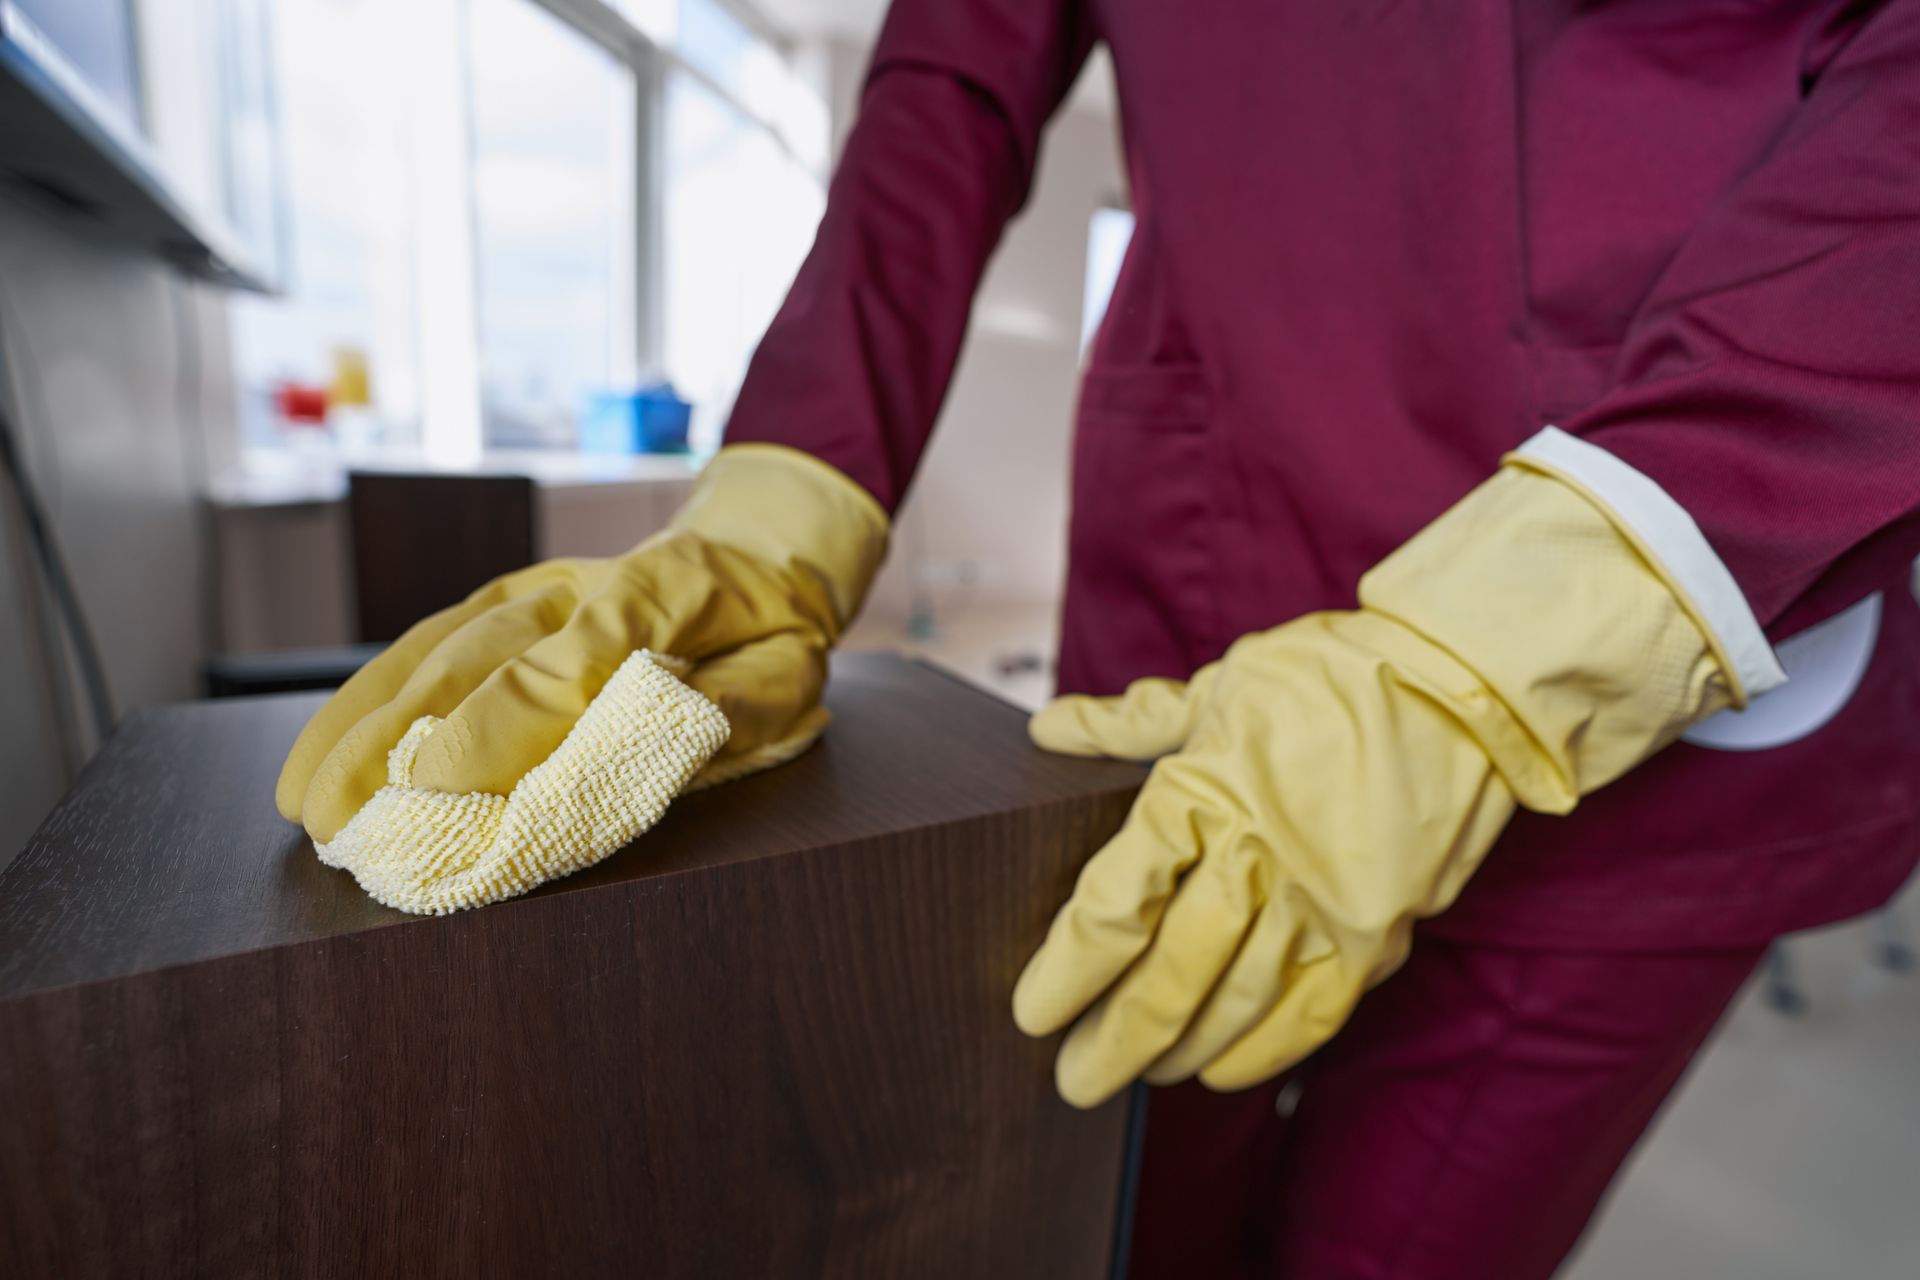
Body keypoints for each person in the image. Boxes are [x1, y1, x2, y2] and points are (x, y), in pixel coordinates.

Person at [276, 2, 1920, 1275]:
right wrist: (784, 504)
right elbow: (949, 89)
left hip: (1683, 576)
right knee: (1110, 1212)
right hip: (1215, 591)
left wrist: (1510, 646)